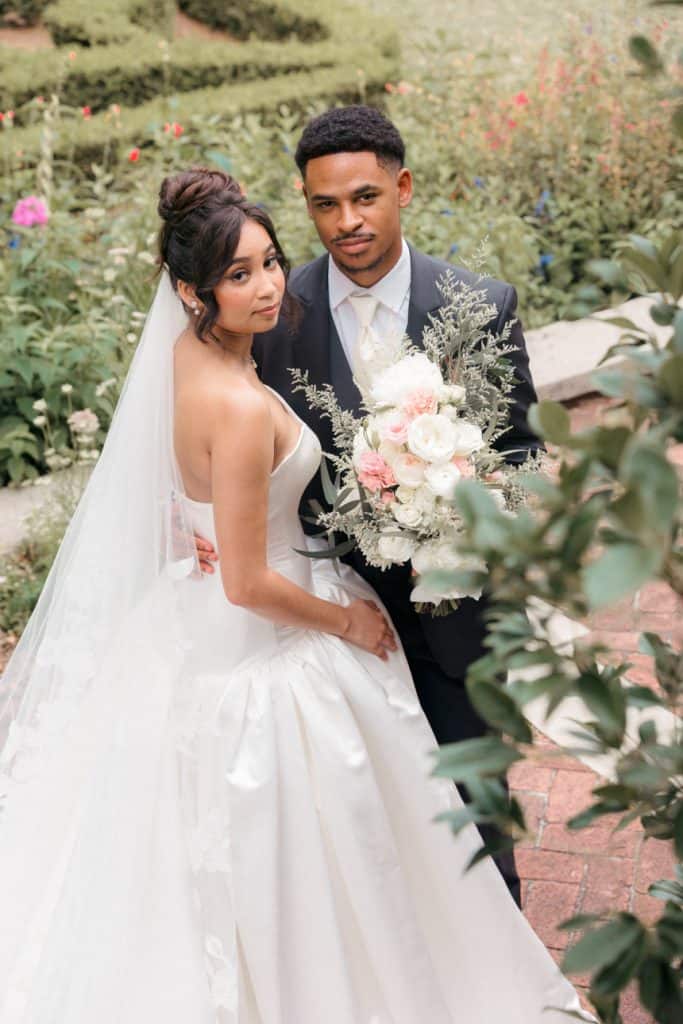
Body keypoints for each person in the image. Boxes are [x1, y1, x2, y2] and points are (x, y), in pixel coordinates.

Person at [0, 168, 593, 1022]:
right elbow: (247, 583)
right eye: (238, 274)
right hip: (266, 633)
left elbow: (205, 523)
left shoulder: (187, 355)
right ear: (189, 289)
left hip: (196, 617)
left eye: (270, 262)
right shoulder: (239, 407)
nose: (269, 285)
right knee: (331, 835)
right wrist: (346, 621)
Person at [197, 105, 542, 904]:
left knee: (478, 820)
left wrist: (473, 507)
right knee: (368, 824)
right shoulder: (273, 318)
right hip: (333, 620)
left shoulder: (481, 305)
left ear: (402, 187)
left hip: (460, 614)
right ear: (306, 204)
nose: (346, 222)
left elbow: (525, 456)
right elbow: (230, 442)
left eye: (364, 197)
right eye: (323, 205)